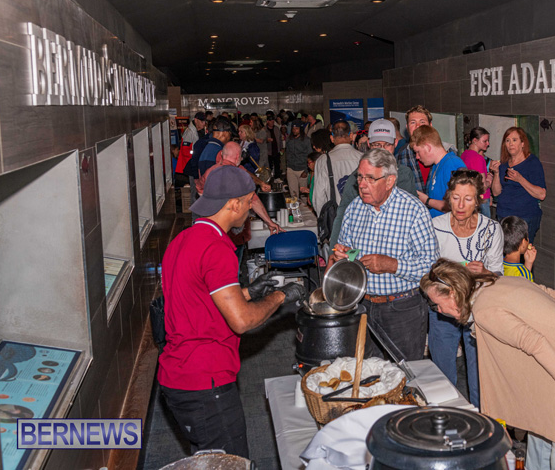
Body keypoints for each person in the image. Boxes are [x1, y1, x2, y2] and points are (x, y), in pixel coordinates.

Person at [158, 166, 305, 457]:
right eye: (250, 201)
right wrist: (280, 296)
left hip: (177, 374)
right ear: (233, 204)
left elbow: (198, 299)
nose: (251, 211)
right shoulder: (216, 248)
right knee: (230, 461)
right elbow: (241, 321)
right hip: (206, 379)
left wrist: (250, 291)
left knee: (207, 458)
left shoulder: (182, 240)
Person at [422, 260, 555, 470]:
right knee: (540, 433)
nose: (438, 310)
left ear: (453, 293)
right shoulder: (497, 282)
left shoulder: (484, 309)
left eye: (436, 303)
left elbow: (534, 343)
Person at [332, 148, 438, 361]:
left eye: (370, 178)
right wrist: (344, 257)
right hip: (361, 305)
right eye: (360, 177)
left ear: (390, 181)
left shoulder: (413, 211)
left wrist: (393, 265)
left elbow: (432, 266)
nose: (362, 185)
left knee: (404, 375)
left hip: (402, 309)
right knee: (366, 374)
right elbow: (350, 250)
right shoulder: (354, 209)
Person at [429, 170, 503, 409]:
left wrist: (484, 272)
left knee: (479, 371)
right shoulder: (435, 227)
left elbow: (498, 276)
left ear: (478, 200)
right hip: (442, 308)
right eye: (456, 197)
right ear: (448, 197)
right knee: (442, 372)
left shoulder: (491, 230)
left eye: (468, 199)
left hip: (477, 307)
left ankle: (482, 423)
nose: (460, 205)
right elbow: (425, 271)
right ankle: (446, 419)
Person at [328, 119, 418, 248]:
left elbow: (413, 214)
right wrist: (333, 251)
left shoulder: (404, 174)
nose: (382, 150)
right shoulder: (357, 177)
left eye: (387, 145)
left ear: (395, 143)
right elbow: (343, 212)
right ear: (369, 144)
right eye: (377, 145)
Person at [491, 127, 546, 242]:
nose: (511, 144)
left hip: (524, 217)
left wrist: (520, 179)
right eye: (507, 140)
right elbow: (496, 192)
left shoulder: (532, 163)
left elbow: (541, 195)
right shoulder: (504, 164)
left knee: (520, 255)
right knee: (505, 254)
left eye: (514, 140)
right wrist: (496, 173)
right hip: (503, 216)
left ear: (522, 143)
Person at [396, 105, 456, 193]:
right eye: (413, 122)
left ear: (430, 126)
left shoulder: (447, 152)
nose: (418, 126)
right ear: (407, 127)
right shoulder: (401, 155)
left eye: (422, 122)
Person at [411, 125, 466, 218]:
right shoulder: (437, 165)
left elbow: (458, 206)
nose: (417, 157)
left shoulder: (452, 164)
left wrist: (427, 201)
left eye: (418, 152)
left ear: (428, 147)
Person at [312, 120, 362, 213]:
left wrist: (323, 218)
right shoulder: (363, 158)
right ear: (351, 136)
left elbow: (318, 197)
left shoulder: (323, 160)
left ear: (331, 138)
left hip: (335, 217)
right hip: (359, 215)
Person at [461, 127, 494, 217]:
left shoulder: (464, 154)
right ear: (475, 140)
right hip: (481, 200)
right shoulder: (478, 158)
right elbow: (482, 186)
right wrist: (489, 178)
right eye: (485, 141)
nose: (488, 144)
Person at [500, 216, 537, 280]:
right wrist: (527, 269)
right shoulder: (523, 275)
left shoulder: (496, 262)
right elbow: (527, 287)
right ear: (523, 243)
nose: (528, 240)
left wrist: (528, 262)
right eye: (527, 238)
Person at [285, 123, 312, 199]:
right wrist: (287, 168)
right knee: (294, 195)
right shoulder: (289, 139)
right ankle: (295, 209)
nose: (294, 130)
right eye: (293, 129)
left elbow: (310, 156)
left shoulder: (306, 140)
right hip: (291, 169)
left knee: (304, 195)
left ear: (301, 129)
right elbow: (287, 154)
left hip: (302, 170)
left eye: (296, 129)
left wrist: (306, 170)